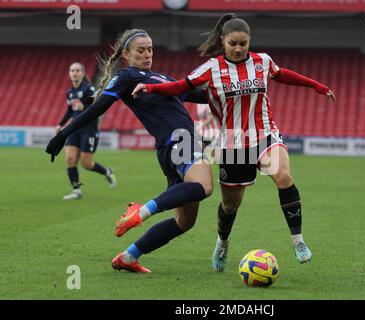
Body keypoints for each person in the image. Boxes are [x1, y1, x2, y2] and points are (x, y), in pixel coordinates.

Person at [131, 13, 337, 272]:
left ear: (249, 41)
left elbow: (283, 75)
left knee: (283, 176)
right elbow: (180, 86)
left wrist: (317, 86)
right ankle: (222, 242)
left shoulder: (263, 61)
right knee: (230, 205)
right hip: (233, 144)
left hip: (265, 134)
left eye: (243, 43)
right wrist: (150, 88)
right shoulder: (212, 68)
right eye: (233, 44)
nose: (239, 49)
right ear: (223, 41)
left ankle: (298, 241)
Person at [46, 29, 213, 273]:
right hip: (181, 141)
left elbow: (201, 96)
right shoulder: (127, 76)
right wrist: (63, 134)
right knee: (205, 186)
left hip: (170, 149)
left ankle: (128, 257)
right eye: (141, 50)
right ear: (126, 54)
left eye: (150, 49)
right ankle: (140, 212)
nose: (147, 54)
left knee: (185, 222)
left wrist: (234, 90)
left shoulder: (161, 77)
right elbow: (97, 108)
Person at [56, 62, 117, 200]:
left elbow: (96, 107)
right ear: (69, 73)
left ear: (83, 73)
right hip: (74, 129)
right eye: (72, 70)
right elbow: (70, 111)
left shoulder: (89, 89)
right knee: (70, 159)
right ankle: (76, 190)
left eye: (77, 70)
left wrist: (84, 106)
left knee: (86, 163)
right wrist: (60, 124)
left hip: (89, 130)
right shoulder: (70, 93)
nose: (75, 73)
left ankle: (107, 172)